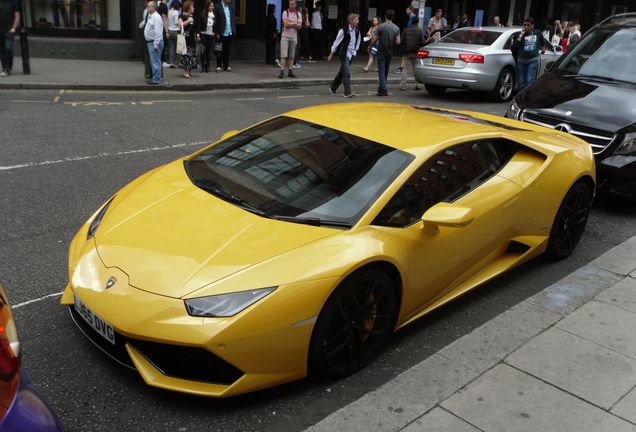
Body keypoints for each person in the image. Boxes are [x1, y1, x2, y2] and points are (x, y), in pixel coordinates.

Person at [328, 13, 360, 98]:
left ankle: (333, 88)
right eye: (356, 20)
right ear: (351, 21)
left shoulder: (357, 30)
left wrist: (355, 51)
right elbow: (336, 42)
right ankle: (347, 92)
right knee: (347, 72)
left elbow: (358, 41)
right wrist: (331, 54)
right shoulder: (343, 30)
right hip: (344, 54)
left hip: (351, 54)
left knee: (342, 72)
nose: (358, 21)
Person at [512, 16, 546, 90]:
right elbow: (515, 46)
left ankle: (527, 98)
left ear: (532, 25)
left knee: (529, 80)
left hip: (532, 60)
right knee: (521, 81)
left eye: (528, 25)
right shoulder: (520, 34)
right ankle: (521, 97)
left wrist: (543, 47)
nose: (526, 27)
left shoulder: (537, 32)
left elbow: (542, 39)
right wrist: (521, 36)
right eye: (524, 25)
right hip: (521, 60)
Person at [373, 9, 400, 96]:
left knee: (381, 70)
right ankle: (380, 89)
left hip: (381, 50)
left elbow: (374, 38)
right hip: (390, 51)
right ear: (393, 18)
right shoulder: (396, 28)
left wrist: (375, 41)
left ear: (385, 17)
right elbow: (398, 42)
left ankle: (384, 90)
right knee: (385, 71)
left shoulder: (381, 26)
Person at [400, 16, 424, 91]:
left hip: (406, 52)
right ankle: (418, 84)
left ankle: (403, 85)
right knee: (415, 69)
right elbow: (423, 42)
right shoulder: (420, 30)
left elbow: (401, 41)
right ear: (417, 22)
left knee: (405, 69)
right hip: (416, 52)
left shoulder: (405, 30)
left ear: (411, 21)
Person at [278, 0, 301, 79]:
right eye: (290, 4)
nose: (291, 6)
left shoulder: (298, 14)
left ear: (295, 4)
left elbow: (300, 26)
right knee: (283, 55)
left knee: (292, 55)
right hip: (285, 37)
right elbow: (285, 24)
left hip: (294, 37)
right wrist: (294, 24)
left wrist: (290, 23)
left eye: (292, 4)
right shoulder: (285, 12)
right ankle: (282, 71)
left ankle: (290, 71)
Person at [144, 0, 164, 84]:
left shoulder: (157, 17)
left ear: (154, 7)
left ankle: (156, 79)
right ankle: (155, 78)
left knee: (155, 62)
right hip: (150, 42)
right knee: (154, 61)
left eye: (149, 6)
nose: (147, 8)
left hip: (154, 42)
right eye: (147, 6)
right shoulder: (150, 15)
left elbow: (158, 33)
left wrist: (156, 45)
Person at [0, 0, 20, 77]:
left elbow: (17, 16)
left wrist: (13, 28)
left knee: (8, 48)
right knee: (2, 50)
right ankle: (4, 68)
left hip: (9, 30)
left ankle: (8, 68)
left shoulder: (14, 2)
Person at [178, 0, 197, 78]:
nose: (194, 8)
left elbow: (195, 28)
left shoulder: (193, 16)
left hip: (192, 38)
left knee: (192, 55)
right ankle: (185, 71)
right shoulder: (181, 16)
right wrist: (188, 21)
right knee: (186, 55)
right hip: (185, 39)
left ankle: (189, 70)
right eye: (192, 6)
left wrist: (196, 36)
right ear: (188, 8)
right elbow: (180, 25)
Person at [215, 0, 236, 71]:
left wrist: (233, 29)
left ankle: (226, 65)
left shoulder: (231, 7)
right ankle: (219, 65)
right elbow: (216, 21)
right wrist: (217, 32)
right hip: (221, 32)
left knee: (227, 50)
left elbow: (232, 19)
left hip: (229, 31)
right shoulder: (217, 7)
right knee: (219, 49)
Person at [197, 1, 217, 73]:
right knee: (203, 51)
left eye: (213, 6)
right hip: (203, 34)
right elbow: (198, 26)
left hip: (210, 35)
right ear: (207, 6)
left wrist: (214, 32)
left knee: (208, 51)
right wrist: (198, 35)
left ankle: (207, 66)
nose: (212, 7)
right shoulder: (202, 14)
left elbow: (215, 25)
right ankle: (202, 66)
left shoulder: (213, 15)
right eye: (211, 6)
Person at [167, 0, 180, 68]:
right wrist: (180, 23)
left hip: (170, 31)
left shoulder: (169, 11)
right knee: (179, 47)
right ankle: (180, 62)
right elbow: (176, 22)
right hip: (175, 31)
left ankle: (171, 62)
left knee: (171, 47)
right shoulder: (176, 12)